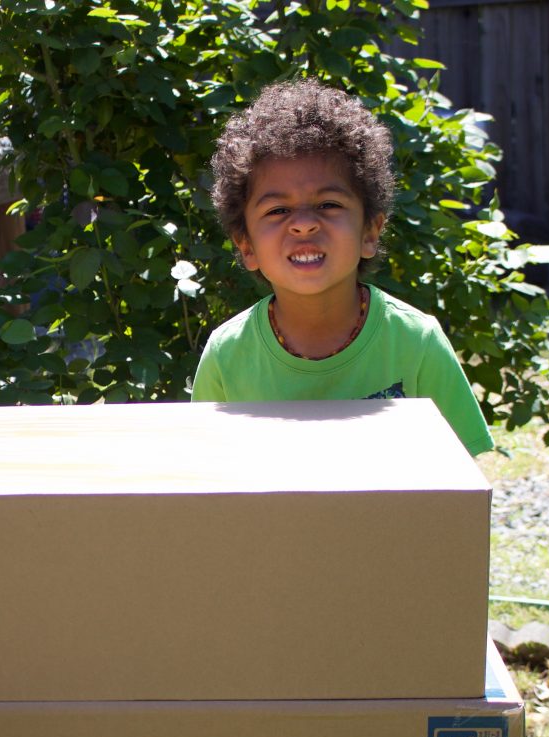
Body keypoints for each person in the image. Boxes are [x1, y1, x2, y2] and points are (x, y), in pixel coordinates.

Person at [190, 77, 494, 457]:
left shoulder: (417, 344)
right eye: (278, 210)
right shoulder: (227, 355)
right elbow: (209, 481)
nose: (303, 223)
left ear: (370, 231)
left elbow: (460, 487)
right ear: (246, 246)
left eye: (328, 205)